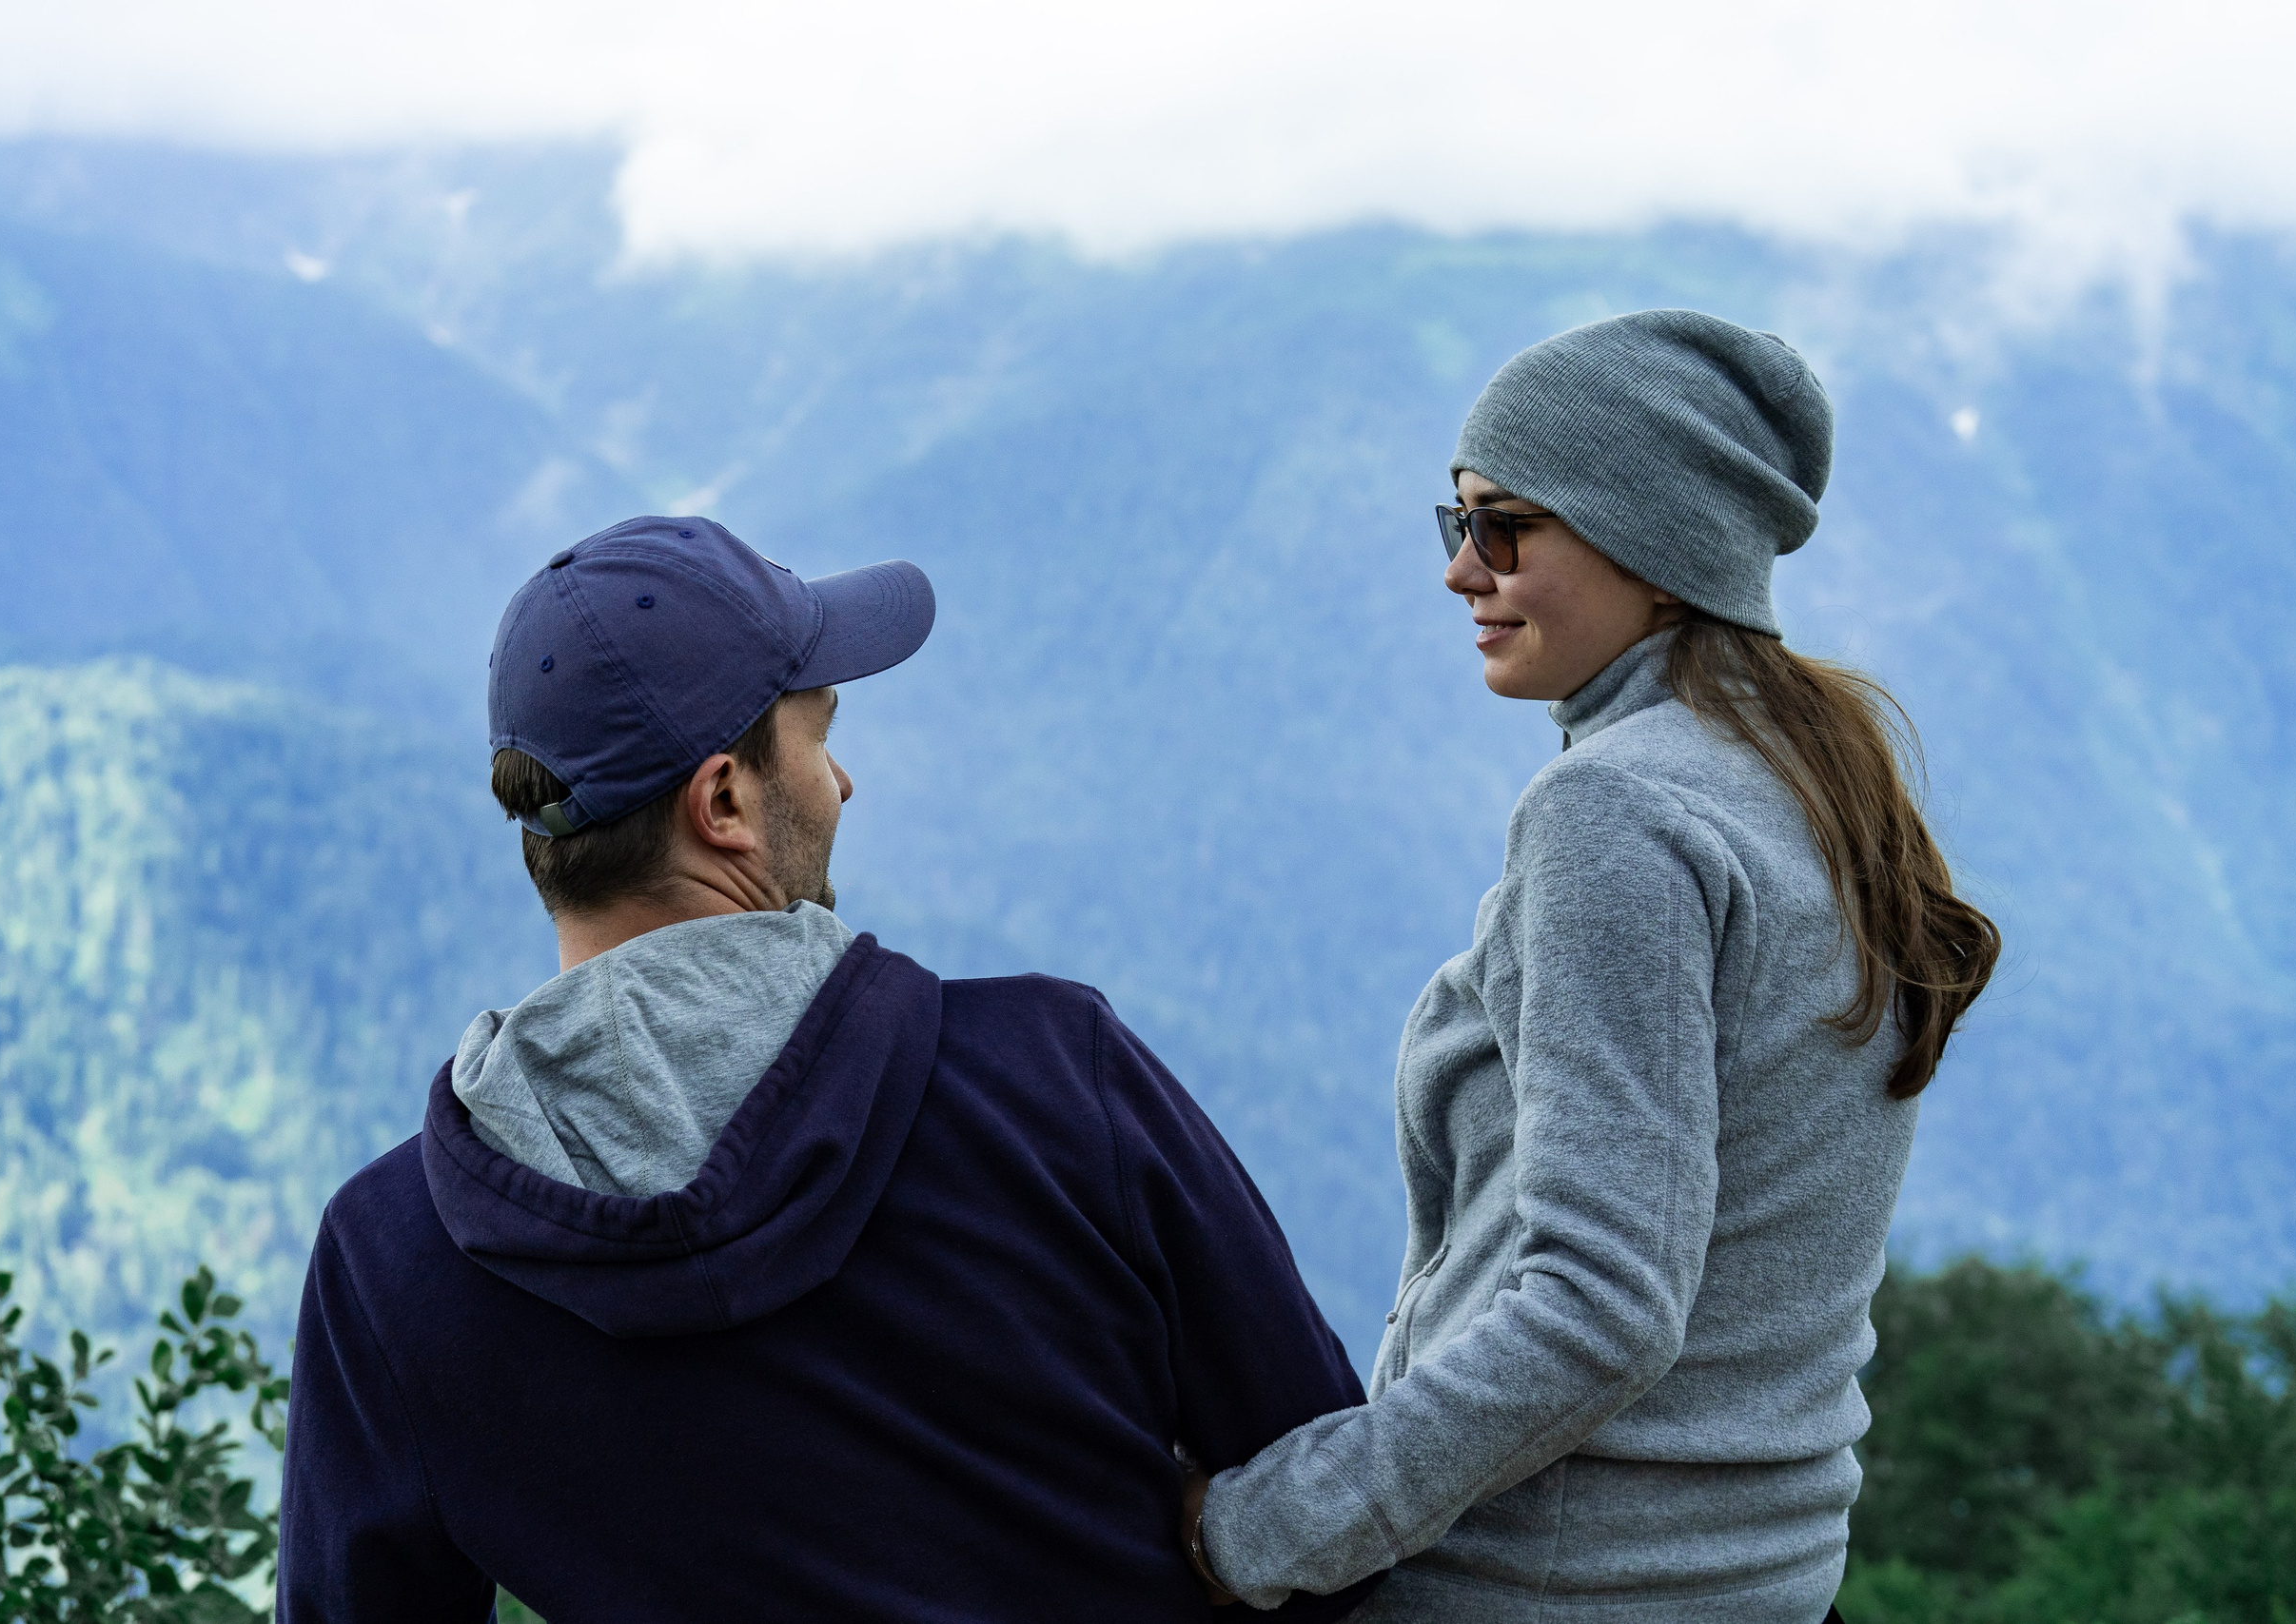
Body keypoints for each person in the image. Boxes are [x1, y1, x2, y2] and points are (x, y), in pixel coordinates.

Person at [276, 518, 1383, 1622]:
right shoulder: (1053, 1081)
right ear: (724, 803)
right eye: (817, 737)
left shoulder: (395, 1261)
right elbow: (1339, 1511)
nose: (841, 782)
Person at [1187, 312, 2001, 1621]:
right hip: (1765, 1584)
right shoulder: (1816, 781)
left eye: (1503, 525)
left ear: (1658, 548)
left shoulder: (1615, 814)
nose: (1462, 570)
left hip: (1551, 1586)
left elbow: (1600, 1309)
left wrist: (1264, 1523)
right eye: (1451, 522)